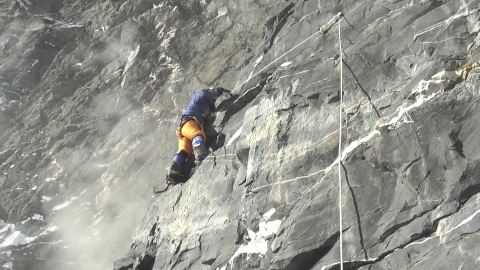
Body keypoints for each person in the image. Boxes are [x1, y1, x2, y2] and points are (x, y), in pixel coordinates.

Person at [167, 86, 231, 185]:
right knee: (197, 134)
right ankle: (200, 154)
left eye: (214, 99)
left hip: (182, 130)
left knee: (184, 150)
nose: (213, 100)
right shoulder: (199, 99)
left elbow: (208, 117)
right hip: (188, 123)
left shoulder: (208, 109)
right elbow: (205, 93)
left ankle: (173, 173)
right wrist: (220, 91)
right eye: (213, 98)